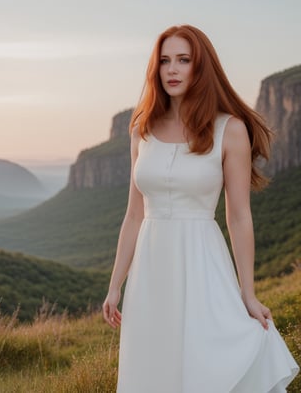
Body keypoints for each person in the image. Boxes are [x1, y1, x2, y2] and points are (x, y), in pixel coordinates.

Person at [102, 24, 299, 392]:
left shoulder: (230, 130)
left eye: (183, 60)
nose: (172, 70)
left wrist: (248, 293)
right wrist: (115, 286)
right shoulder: (140, 130)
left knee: (208, 361)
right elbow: (134, 214)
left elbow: (239, 216)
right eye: (164, 61)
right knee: (154, 365)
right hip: (150, 269)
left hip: (202, 262)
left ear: (200, 67)